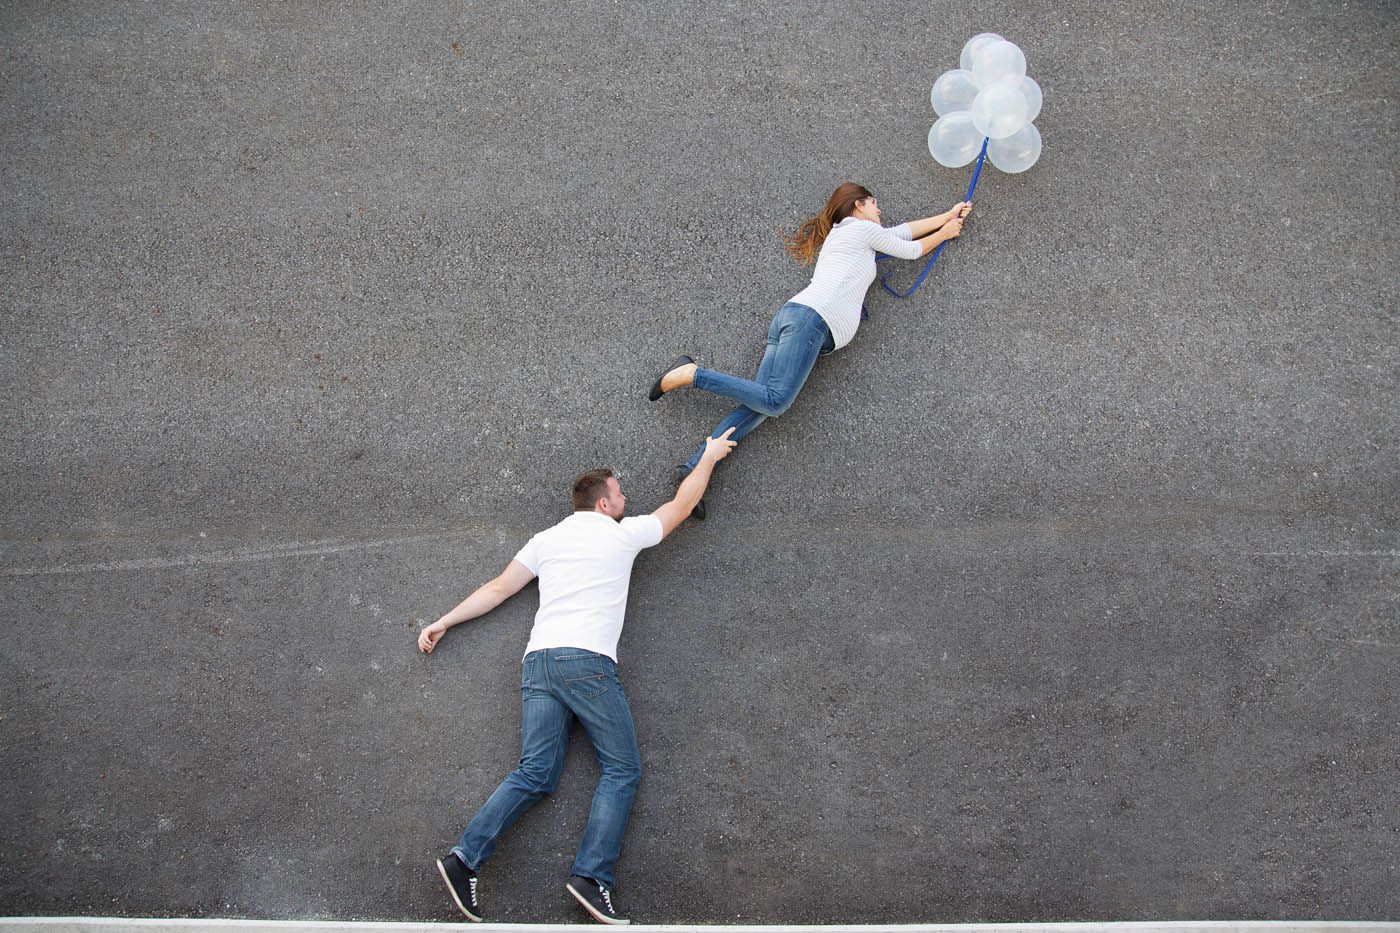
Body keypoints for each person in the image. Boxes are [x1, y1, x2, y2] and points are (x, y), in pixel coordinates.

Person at [417, 428, 736, 925]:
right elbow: (682, 503)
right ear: (605, 504)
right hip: (587, 663)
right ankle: (592, 877)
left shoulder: (545, 540)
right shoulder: (621, 533)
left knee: (535, 773)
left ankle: (464, 859)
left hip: (539, 661)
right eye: (622, 494)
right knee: (622, 768)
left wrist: (444, 620)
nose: (627, 500)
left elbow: (499, 588)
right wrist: (711, 456)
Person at [647, 182, 972, 518]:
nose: (880, 210)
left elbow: (901, 233)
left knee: (757, 405)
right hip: (810, 322)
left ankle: (694, 467)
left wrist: (946, 217)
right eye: (875, 204)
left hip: (802, 320)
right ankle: (692, 374)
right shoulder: (860, 230)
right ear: (859, 205)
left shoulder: (855, 234)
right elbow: (912, 250)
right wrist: (945, 233)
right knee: (775, 402)